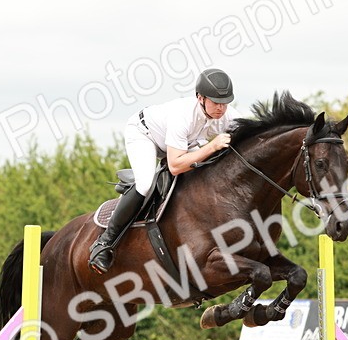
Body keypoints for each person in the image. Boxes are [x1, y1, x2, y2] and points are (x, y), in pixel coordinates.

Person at [88, 67, 242, 273]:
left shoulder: (228, 116)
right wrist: (212, 146)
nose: (221, 108)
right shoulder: (183, 116)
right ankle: (104, 243)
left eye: (225, 103)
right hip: (145, 135)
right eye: (215, 102)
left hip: (183, 143)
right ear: (200, 98)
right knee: (145, 184)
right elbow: (175, 165)